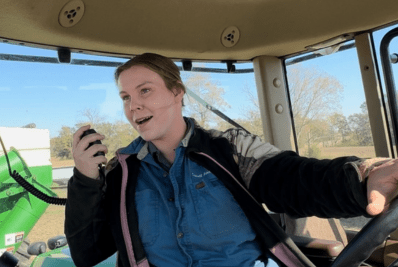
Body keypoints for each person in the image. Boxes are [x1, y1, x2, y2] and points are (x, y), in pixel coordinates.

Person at [65, 53, 398, 267]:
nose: (133, 106)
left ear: (177, 92)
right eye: (125, 97)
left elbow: (294, 179)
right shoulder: (121, 173)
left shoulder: (231, 150)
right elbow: (87, 253)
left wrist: (362, 178)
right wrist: (85, 179)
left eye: (145, 91)